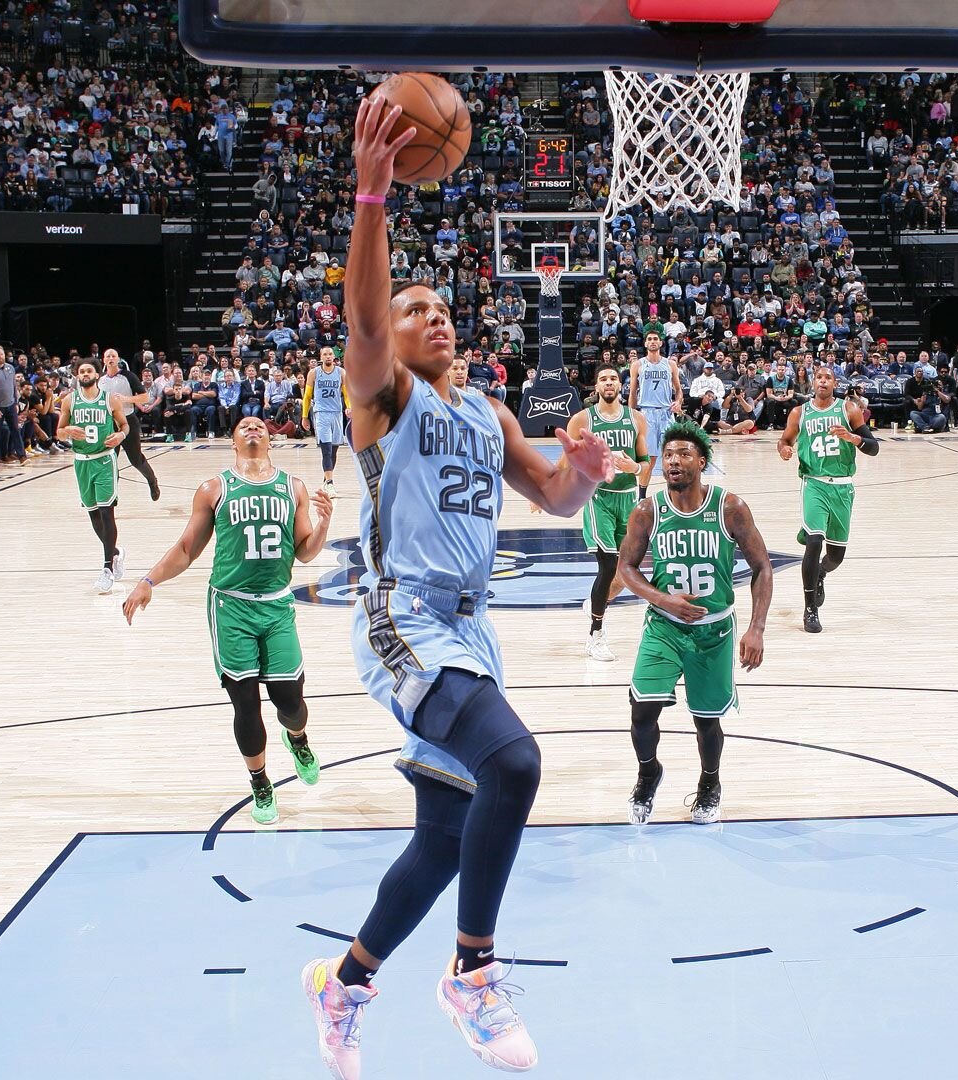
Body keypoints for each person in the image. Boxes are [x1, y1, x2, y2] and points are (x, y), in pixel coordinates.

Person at [299, 96, 613, 1080]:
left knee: (440, 842)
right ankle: (471, 974)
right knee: (513, 765)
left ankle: (341, 986)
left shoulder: (486, 411)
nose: (431, 316)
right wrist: (372, 200)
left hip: (468, 636)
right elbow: (359, 313)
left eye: (442, 308)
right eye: (412, 309)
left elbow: (553, 498)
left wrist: (587, 474)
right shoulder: (383, 398)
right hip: (400, 616)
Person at [122, 415, 337, 823]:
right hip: (231, 606)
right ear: (233, 442)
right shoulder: (214, 489)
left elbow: (306, 552)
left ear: (272, 440)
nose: (253, 428)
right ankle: (260, 781)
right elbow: (188, 548)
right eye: (244, 426)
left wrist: (324, 524)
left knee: (291, 702)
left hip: (276, 605)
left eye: (260, 425)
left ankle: (298, 738)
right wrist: (149, 580)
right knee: (246, 703)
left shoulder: (294, 488)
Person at [616, 421, 772, 825]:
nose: (673, 461)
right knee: (641, 709)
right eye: (668, 455)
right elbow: (627, 568)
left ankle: (709, 784)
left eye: (684, 454)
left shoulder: (730, 507)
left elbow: (762, 567)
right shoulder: (647, 510)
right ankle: (648, 774)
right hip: (664, 626)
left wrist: (755, 628)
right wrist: (661, 597)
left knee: (706, 719)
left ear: (702, 462)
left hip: (714, 632)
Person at [778, 365, 879, 633]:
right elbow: (784, 440)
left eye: (828, 378)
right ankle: (810, 609)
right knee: (813, 542)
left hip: (843, 487)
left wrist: (853, 438)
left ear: (835, 383)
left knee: (836, 556)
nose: (823, 381)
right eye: (819, 377)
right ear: (813, 382)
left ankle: (821, 572)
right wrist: (785, 449)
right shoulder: (799, 412)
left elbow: (874, 448)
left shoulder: (849, 410)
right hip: (814, 484)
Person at [566, 367, 648, 662]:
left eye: (613, 378)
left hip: (628, 498)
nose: (609, 383)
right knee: (607, 565)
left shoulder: (636, 419)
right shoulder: (582, 419)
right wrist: (546, 494)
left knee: (627, 570)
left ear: (620, 384)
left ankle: (595, 602)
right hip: (598, 498)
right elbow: (567, 459)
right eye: (603, 379)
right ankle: (595, 635)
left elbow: (645, 463)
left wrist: (635, 471)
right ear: (596, 386)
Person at [58, 359, 131, 593]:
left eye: (89, 370)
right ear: (77, 376)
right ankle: (115, 552)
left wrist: (120, 436)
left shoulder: (109, 399)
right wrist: (67, 430)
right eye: (81, 371)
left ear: (97, 374)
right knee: (94, 516)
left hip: (104, 460)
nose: (85, 374)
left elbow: (124, 425)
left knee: (106, 512)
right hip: (81, 463)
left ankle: (107, 568)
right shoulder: (69, 400)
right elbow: (59, 432)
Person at [100, 348, 162, 500]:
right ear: (104, 360)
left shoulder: (128, 376)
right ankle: (111, 495)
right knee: (110, 461)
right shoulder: (100, 380)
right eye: (107, 356)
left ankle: (152, 481)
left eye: (113, 356)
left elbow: (145, 397)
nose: (110, 358)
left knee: (135, 460)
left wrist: (126, 399)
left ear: (118, 359)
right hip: (109, 424)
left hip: (128, 422)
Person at [628, 331, 681, 499]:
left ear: (660, 343)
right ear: (645, 344)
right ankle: (641, 498)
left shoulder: (670, 364)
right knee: (649, 460)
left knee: (672, 457)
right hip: (646, 414)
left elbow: (678, 390)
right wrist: (631, 414)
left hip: (666, 413)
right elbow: (632, 392)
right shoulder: (638, 365)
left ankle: (672, 497)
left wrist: (678, 402)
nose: (652, 342)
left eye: (655, 339)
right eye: (649, 339)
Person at [305, 346, 348, 491]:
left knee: (334, 451)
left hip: (337, 412)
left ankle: (326, 479)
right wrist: (305, 416)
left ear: (334, 356)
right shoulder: (314, 373)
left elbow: (346, 394)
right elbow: (307, 396)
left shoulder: (341, 372)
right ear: (320, 357)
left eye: (330, 354)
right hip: (321, 413)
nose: (328, 356)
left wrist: (349, 407)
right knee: (327, 450)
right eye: (325, 354)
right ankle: (330, 483)